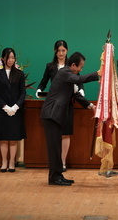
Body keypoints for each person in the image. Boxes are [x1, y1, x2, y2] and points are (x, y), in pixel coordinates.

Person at [40, 52, 99, 186]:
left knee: (57, 147)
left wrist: (90, 106)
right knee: (54, 148)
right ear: (73, 65)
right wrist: (98, 74)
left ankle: (58, 175)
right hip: (51, 115)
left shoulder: (68, 76)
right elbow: (80, 80)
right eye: (80, 67)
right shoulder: (64, 73)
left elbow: (76, 94)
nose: (81, 70)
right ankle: (54, 178)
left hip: (56, 115)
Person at [36, 40, 86, 172]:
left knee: (66, 133)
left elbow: (79, 80)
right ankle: (56, 163)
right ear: (55, 51)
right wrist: (39, 89)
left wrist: (81, 91)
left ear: (67, 51)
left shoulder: (72, 65)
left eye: (63, 50)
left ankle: (63, 161)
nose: (61, 53)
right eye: (59, 51)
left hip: (68, 103)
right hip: (54, 105)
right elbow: (44, 81)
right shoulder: (50, 66)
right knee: (54, 134)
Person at [0, 48, 26, 172]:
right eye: (8, 57)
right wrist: (4, 106)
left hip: (16, 110)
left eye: (12, 57)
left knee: (14, 137)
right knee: (3, 137)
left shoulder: (19, 74)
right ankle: (4, 161)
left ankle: (12, 162)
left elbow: (23, 92)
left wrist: (16, 106)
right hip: (2, 110)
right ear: (3, 58)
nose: (10, 60)